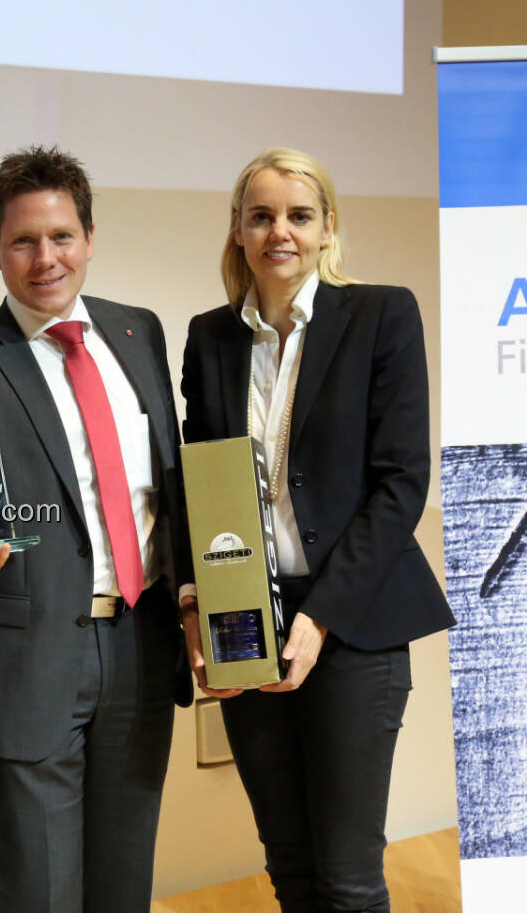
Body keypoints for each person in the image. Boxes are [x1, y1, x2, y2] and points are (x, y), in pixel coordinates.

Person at [0, 145, 193, 912]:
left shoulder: (140, 334)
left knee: (123, 887)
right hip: (30, 662)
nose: (45, 258)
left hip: (140, 641)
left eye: (62, 236)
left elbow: (169, 488)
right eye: (24, 241)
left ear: (90, 239)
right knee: (38, 892)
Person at [179, 147, 454, 912]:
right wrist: (198, 604)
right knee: (290, 866)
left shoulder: (382, 313)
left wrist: (319, 617)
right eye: (261, 215)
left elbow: (401, 484)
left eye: (299, 215)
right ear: (237, 230)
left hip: (355, 623)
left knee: (349, 878)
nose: (280, 232)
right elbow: (199, 484)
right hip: (248, 621)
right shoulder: (210, 339)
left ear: (329, 226)